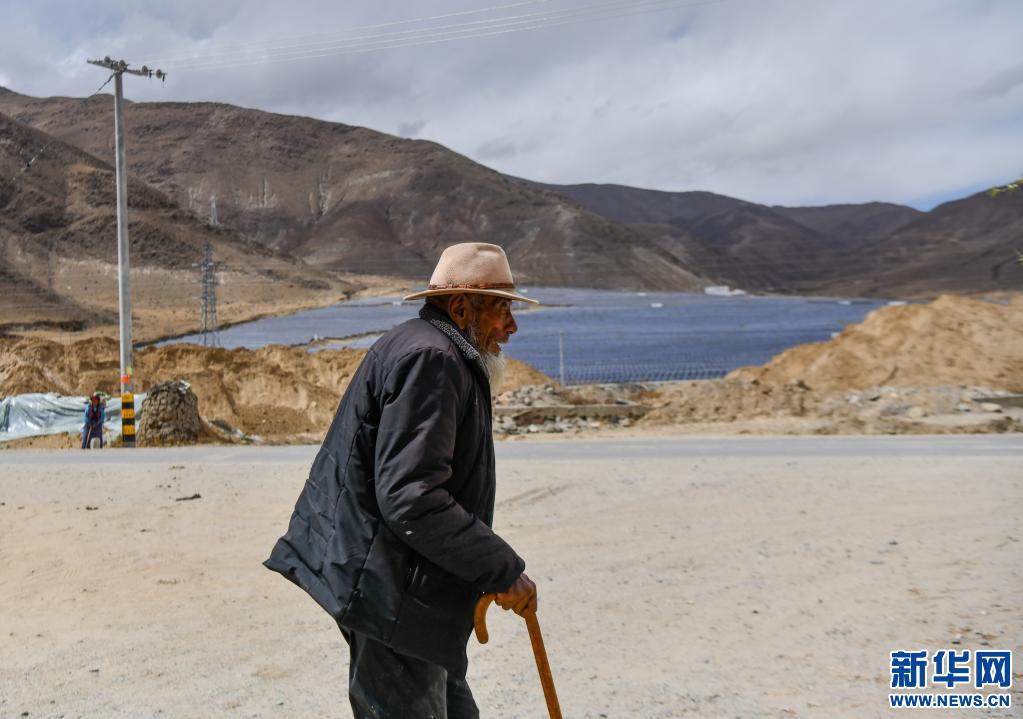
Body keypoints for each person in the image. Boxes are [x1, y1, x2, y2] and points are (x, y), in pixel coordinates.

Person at [265, 242, 542, 718]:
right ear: (461, 308)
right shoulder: (432, 360)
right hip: (389, 591)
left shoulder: (428, 347)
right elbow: (412, 497)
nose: (512, 326)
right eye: (501, 310)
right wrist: (501, 568)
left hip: (400, 586)